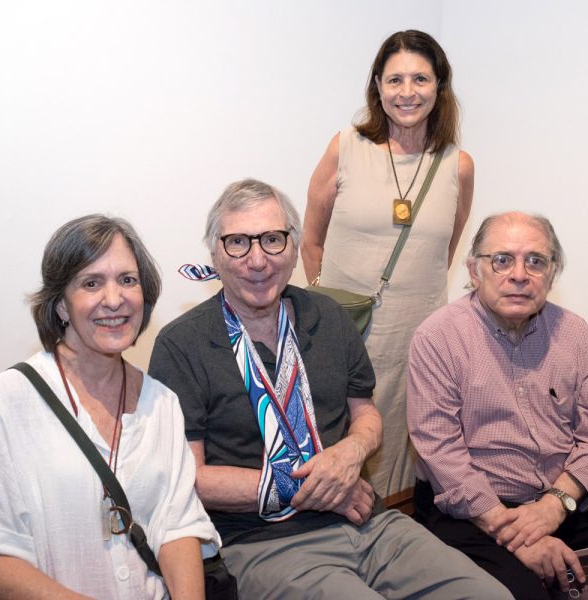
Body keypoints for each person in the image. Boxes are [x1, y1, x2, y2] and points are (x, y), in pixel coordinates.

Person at [149, 178, 512, 600]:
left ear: (293, 247)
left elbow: (367, 415)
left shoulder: (328, 315)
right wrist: (315, 489)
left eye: (272, 239)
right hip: (264, 542)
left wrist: (352, 452)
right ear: (215, 253)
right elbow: (191, 479)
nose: (257, 259)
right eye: (237, 243)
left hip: (368, 521)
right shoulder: (182, 344)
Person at [0, 215, 220, 599]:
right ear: (61, 305)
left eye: (127, 280)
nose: (114, 299)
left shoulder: (162, 403)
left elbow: (177, 527)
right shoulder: (5, 403)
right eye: (91, 283)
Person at [301, 30, 474, 497]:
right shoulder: (346, 147)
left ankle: (397, 531)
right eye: (395, 79)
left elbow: (445, 251)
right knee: (337, 445)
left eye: (420, 78)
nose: (407, 91)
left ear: (440, 87)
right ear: (377, 86)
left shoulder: (458, 165)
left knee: (405, 448)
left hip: (416, 339)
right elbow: (310, 239)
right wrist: (329, 300)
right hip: (342, 331)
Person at [407, 211, 588, 599]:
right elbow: (441, 453)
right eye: (502, 259)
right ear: (475, 271)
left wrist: (554, 506)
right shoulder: (437, 337)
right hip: (472, 510)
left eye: (535, 261)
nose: (520, 274)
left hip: (563, 496)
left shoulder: (576, 334)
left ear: (552, 274)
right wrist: (518, 535)